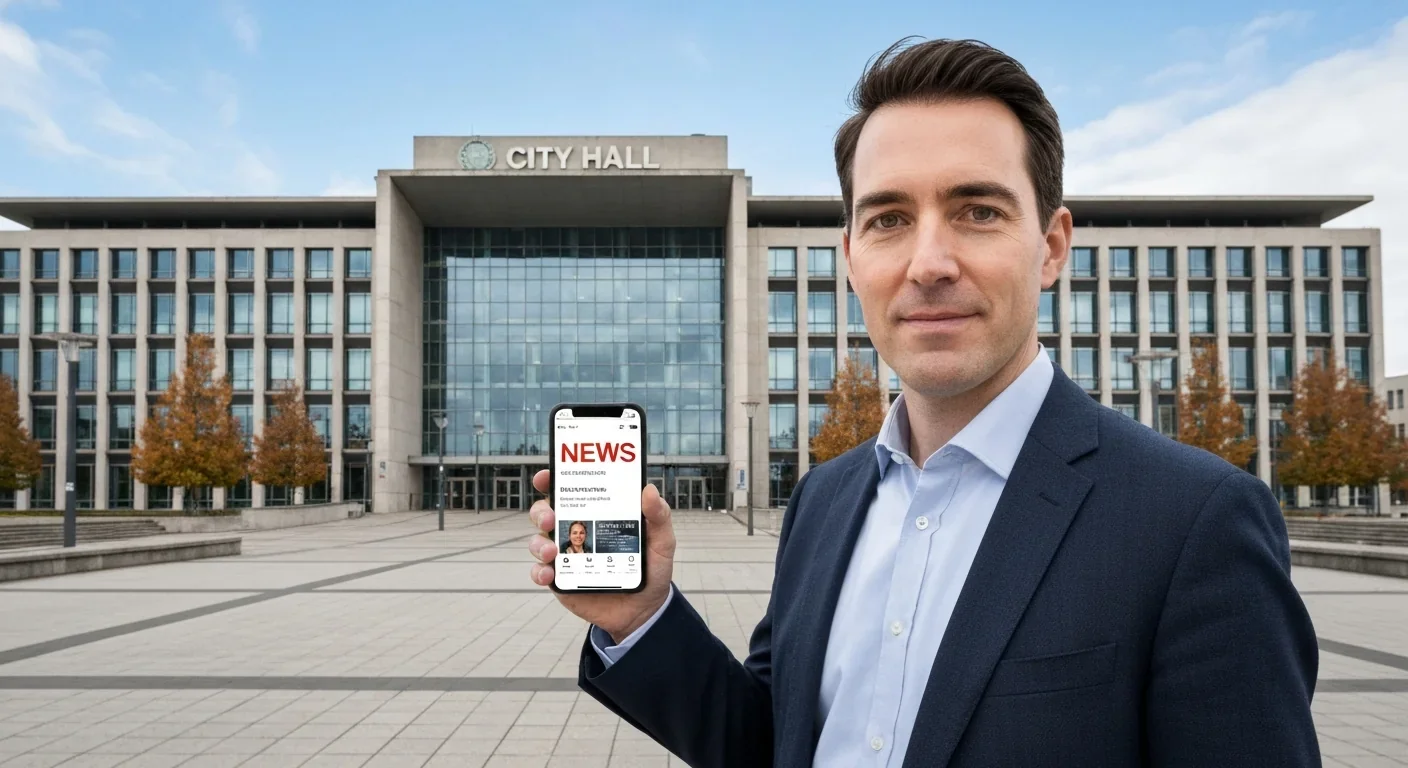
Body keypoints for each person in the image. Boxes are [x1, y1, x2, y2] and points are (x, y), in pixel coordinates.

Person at [527, 37, 1320, 767]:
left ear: (1050, 247)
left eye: (978, 211)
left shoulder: (1195, 520)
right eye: (889, 219)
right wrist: (640, 617)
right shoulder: (824, 501)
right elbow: (772, 746)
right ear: (850, 258)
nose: (929, 262)